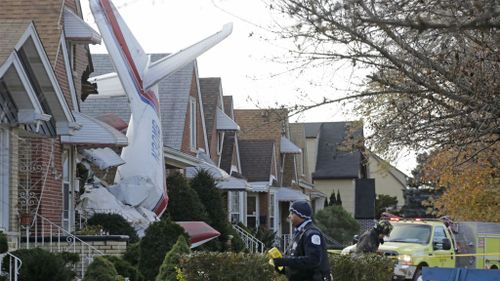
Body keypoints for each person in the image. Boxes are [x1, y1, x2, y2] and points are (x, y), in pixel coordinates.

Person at [273, 201, 331, 281]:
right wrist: (281, 266)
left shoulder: (311, 233)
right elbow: (297, 264)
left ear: (300, 215)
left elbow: (313, 260)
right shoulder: (300, 233)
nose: (289, 216)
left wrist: (285, 260)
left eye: (292, 213)